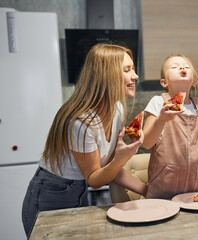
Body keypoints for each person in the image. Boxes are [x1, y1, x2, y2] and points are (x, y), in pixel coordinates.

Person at [22, 43, 147, 238]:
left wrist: (147, 190)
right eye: (127, 70)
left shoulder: (117, 109)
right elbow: (95, 179)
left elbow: (109, 170)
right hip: (50, 194)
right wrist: (122, 158)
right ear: (108, 75)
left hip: (77, 190)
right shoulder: (82, 121)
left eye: (133, 68)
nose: (135, 76)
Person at [143, 54, 198, 199]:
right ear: (164, 82)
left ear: (194, 81)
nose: (182, 67)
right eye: (174, 67)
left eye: (186, 67)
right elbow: (146, 143)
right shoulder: (158, 102)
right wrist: (162, 119)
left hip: (195, 187)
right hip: (162, 188)